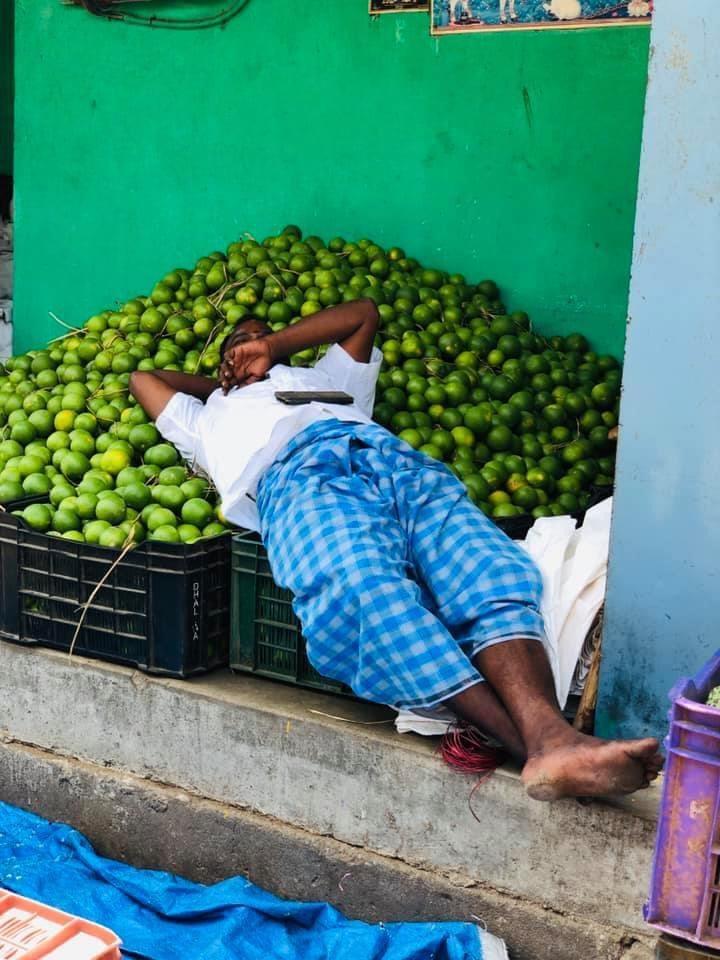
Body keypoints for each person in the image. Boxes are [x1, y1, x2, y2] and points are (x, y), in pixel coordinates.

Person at [129, 299, 663, 802]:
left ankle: (552, 738)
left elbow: (363, 313)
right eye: (240, 342)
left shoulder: (324, 378)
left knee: (486, 570)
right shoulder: (206, 420)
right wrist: (222, 384)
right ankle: (540, 747)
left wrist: (274, 349)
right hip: (298, 480)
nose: (253, 343)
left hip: (393, 461)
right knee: (360, 588)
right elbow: (143, 379)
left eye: (263, 336)